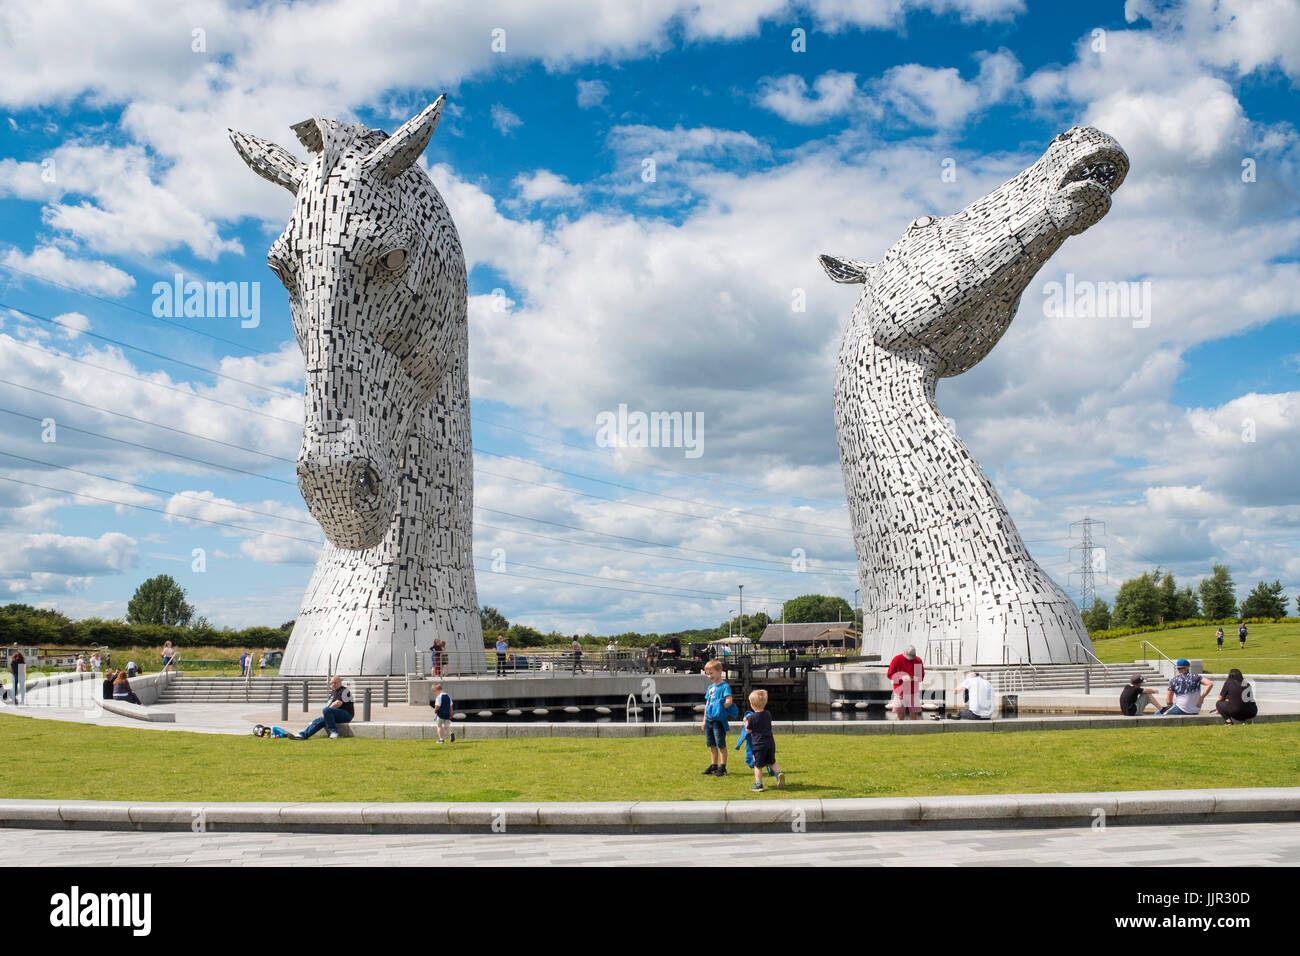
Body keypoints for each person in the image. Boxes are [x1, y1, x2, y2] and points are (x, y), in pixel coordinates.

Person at [741, 690, 785, 792]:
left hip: (759, 745)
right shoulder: (768, 714)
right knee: (771, 762)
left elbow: (748, 730)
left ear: (751, 704)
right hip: (770, 743)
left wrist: (745, 722)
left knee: (758, 765)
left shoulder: (751, 718)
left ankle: (759, 784)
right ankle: (778, 773)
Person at [700, 659, 733, 776]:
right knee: (711, 744)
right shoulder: (710, 688)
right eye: (707, 674)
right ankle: (714, 765)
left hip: (718, 720)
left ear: (720, 671)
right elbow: (707, 704)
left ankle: (723, 767)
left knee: (721, 744)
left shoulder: (724, 687)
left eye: (711, 673)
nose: (709, 676)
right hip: (709, 720)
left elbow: (729, 700)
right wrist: (704, 720)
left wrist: (720, 708)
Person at [886, 645, 924, 720]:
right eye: (909, 656)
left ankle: (913, 730)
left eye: (912, 657)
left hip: (913, 691)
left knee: (914, 714)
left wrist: (913, 678)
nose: (910, 659)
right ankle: (900, 730)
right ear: (904, 652)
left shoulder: (917, 660)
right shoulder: (897, 659)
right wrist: (901, 678)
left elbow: (920, 677)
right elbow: (890, 675)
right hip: (900, 692)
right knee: (900, 715)